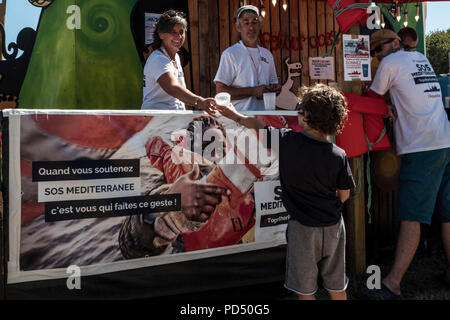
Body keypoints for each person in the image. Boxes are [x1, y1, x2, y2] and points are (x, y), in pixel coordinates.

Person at [215, 84, 355, 300]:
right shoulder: (338, 154)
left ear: (306, 116)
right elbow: (344, 195)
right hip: (334, 226)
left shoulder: (287, 141)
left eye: (299, 108)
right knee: (337, 286)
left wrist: (234, 115)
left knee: (305, 289)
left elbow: (257, 126)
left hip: (302, 229)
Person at [360, 29, 450, 300]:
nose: (378, 55)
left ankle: (391, 284)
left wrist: (383, 102)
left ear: (396, 43)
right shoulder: (421, 57)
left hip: (420, 146)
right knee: (446, 213)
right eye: (374, 52)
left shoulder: (390, 63)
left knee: (412, 215)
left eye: (380, 48)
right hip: (444, 141)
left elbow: (373, 97)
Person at [119, 115, 230, 258]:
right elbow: (130, 246)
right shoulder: (176, 180)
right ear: (191, 150)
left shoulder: (240, 178)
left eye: (218, 148)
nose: (213, 156)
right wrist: (169, 209)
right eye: (205, 147)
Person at [141, 10, 216, 116]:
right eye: (173, 32)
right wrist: (200, 102)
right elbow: (173, 88)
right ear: (161, 35)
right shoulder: (158, 59)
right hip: (155, 123)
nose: (179, 37)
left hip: (171, 121)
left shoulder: (175, 56)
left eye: (181, 32)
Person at [214, 5, 280, 111]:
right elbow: (220, 92)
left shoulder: (267, 54)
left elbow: (274, 85)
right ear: (238, 27)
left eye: (254, 22)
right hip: (239, 120)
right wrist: (253, 91)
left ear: (259, 25)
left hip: (265, 120)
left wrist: (275, 89)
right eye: (246, 22)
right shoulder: (230, 54)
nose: (251, 27)